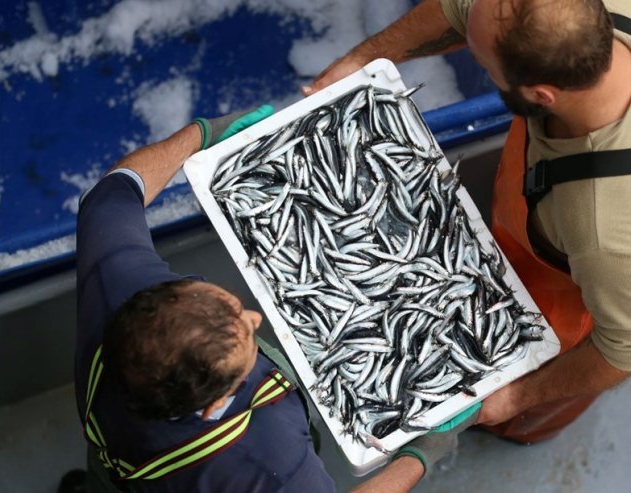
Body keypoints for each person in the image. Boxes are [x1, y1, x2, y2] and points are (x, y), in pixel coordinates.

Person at [305, 0, 631, 444]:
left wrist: (516, 397)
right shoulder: (586, 19)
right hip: (587, 203)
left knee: (526, 399)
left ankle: (520, 430)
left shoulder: (604, 229)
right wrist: (362, 59)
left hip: (599, 278)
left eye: (483, 64)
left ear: (540, 95)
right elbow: (463, 11)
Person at [72, 106, 478, 492]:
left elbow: (111, 193)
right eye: (247, 343)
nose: (255, 317)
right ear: (215, 410)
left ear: (162, 291)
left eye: (232, 307)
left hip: (114, 452)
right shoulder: (267, 461)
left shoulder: (116, 285)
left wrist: (200, 134)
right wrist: (421, 454)